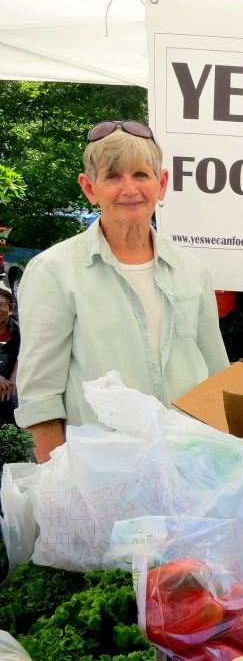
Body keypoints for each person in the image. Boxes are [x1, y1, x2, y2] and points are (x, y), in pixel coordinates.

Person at [15, 120, 229, 462]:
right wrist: (61, 487)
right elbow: (40, 399)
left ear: (162, 184)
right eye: (112, 177)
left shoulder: (191, 270)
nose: (129, 189)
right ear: (89, 188)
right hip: (104, 476)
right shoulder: (54, 271)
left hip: (190, 465)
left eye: (141, 175)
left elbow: (218, 377)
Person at [0, 281, 20, 425]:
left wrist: (14, 378)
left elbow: (23, 354)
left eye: (2, 305)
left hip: (7, 386)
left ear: (10, 308)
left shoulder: (18, 330)